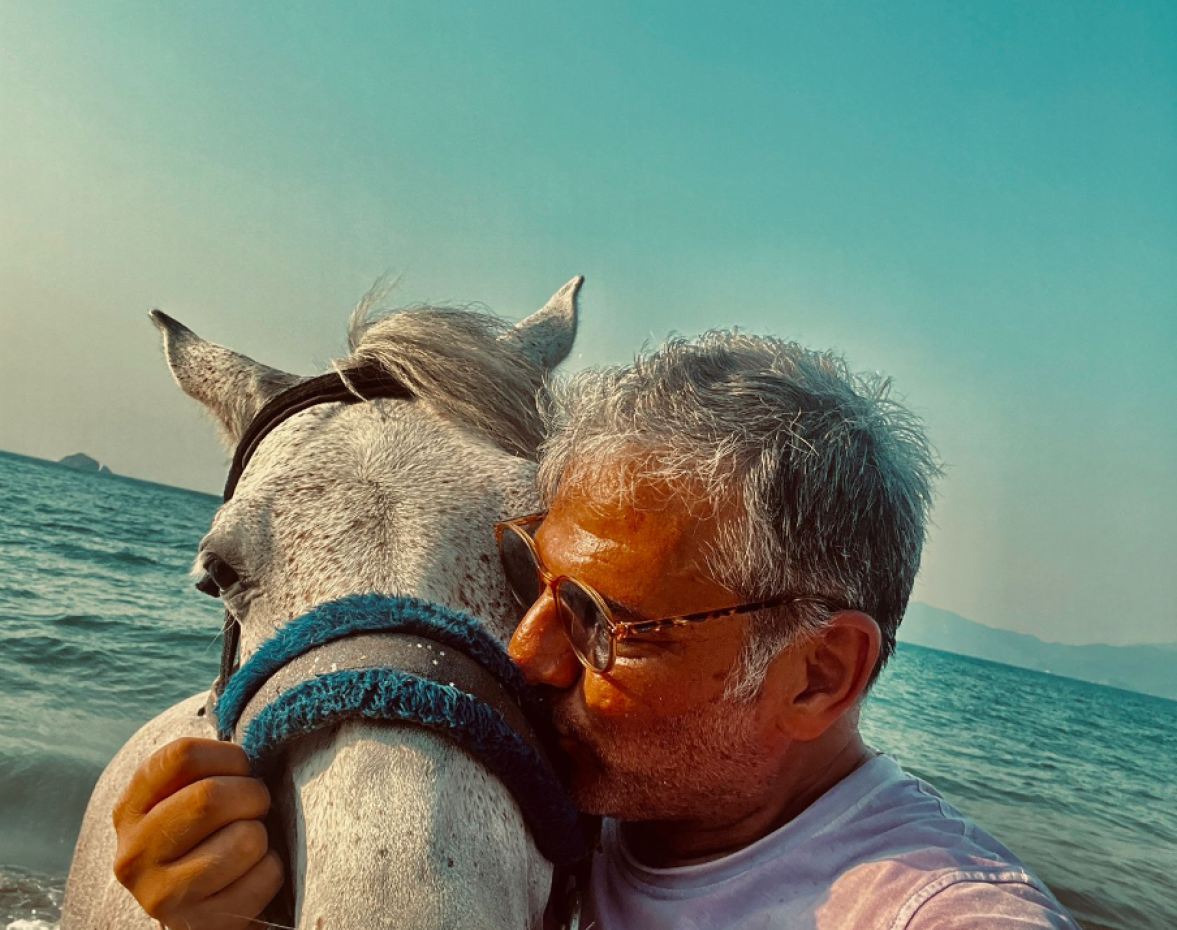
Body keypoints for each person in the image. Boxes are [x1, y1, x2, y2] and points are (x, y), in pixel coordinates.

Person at [112, 330, 1080, 929]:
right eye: (525, 575)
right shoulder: (589, 806)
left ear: (818, 675)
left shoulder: (932, 914)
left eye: (597, 622)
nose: (524, 655)